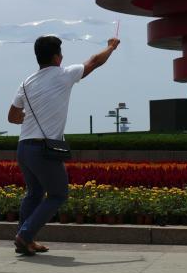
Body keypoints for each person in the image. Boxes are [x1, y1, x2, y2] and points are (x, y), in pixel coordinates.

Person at [7, 35, 120, 255]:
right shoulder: (64, 75)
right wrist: (111, 47)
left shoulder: (26, 83)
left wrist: (30, 118)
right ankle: (25, 235)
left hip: (24, 147)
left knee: (34, 193)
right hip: (43, 149)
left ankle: (26, 239)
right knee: (58, 195)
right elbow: (95, 61)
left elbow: (12, 117)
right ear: (57, 57)